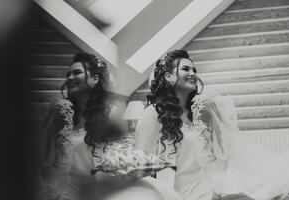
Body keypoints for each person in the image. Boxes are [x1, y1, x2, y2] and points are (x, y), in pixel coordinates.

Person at [135, 50, 289, 200]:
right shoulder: (153, 113)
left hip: (208, 187)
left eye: (194, 70)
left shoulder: (196, 114)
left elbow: (216, 156)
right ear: (168, 76)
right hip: (181, 194)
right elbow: (140, 171)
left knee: (272, 191)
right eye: (186, 69)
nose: (193, 73)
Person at [38, 52, 182, 200]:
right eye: (68, 74)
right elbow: (45, 158)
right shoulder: (60, 111)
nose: (70, 78)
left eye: (77, 73)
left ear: (94, 79)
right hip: (70, 190)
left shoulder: (109, 113)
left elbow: (117, 152)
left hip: (103, 186)